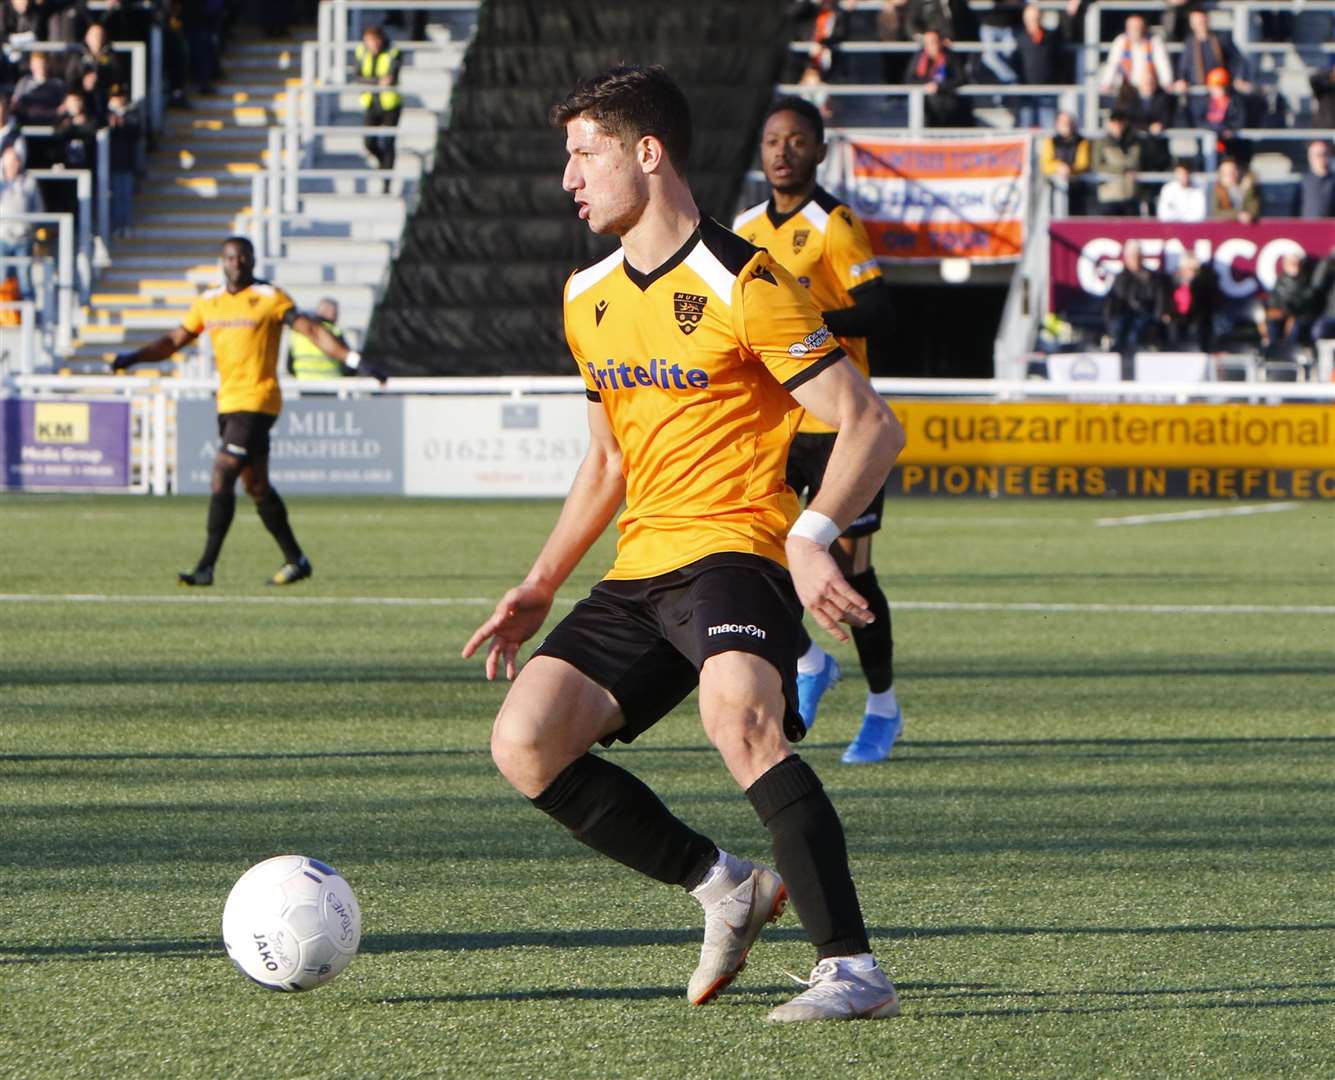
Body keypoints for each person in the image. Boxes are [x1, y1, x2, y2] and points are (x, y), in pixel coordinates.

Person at [461, 65, 906, 1022]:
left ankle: (853, 970)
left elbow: (866, 421)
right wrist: (541, 582)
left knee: (738, 717)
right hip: (640, 568)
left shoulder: (747, 282)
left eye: (585, 155)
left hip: (737, 550)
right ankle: (724, 886)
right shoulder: (585, 294)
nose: (569, 178)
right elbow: (605, 465)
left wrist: (812, 537)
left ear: (647, 152)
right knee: (524, 742)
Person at [733, 97, 901, 765]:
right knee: (753, 557)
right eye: (772, 139)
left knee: (850, 574)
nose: (782, 151)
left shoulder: (833, 224)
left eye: (796, 140)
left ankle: (882, 709)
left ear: (819, 151)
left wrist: (803, 328)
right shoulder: (743, 227)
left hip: (838, 427)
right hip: (771, 427)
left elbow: (879, 310)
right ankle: (808, 661)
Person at [109, 237, 380, 587]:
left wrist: (355, 361)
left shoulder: (270, 298)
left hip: (259, 400)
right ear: (222, 262)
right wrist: (133, 358)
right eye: (230, 258)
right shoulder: (209, 303)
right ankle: (296, 560)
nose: (236, 263)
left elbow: (312, 330)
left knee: (223, 473)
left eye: (242, 257)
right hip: (229, 403)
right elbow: (174, 340)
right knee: (257, 486)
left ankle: (206, 567)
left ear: (252, 260)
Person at [1104, 239, 1168, 367]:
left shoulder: (1152, 278)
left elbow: (1159, 301)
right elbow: (1113, 301)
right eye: (1132, 257)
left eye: (1137, 256)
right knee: (1120, 325)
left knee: (1135, 329)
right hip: (1125, 314)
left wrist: (1157, 318)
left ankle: (1132, 361)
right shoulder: (1120, 278)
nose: (1135, 260)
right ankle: (1117, 360)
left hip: (1145, 315)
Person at [1172, 3, 1251, 96]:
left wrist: (1238, 77)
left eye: (1202, 20)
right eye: (1197, 22)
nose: (1200, 24)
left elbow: (1238, 60)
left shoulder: (1221, 39)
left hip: (1221, 91)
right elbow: (1183, 67)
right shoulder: (1190, 43)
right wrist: (1181, 80)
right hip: (1197, 94)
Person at [353, 25, 401, 172]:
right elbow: (358, 78)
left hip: (390, 104)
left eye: (373, 41)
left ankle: (387, 181)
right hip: (371, 103)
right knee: (369, 142)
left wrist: (374, 80)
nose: (371, 45)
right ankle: (383, 165)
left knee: (388, 142)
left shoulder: (393, 52)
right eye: (368, 41)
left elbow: (391, 78)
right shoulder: (361, 52)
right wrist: (377, 81)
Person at [0, 144, 42, 299]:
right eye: (9, 162)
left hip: (23, 238)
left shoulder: (28, 182)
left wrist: (30, 229)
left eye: (15, 161)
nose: (12, 165)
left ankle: (28, 318)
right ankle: (5, 317)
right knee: (2, 279)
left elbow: (39, 209)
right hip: (2, 238)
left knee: (25, 280)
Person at [904, 29, 970, 128]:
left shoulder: (950, 56)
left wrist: (940, 87)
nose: (930, 46)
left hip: (948, 100)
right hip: (927, 102)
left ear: (940, 42)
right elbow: (910, 79)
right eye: (927, 43)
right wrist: (928, 84)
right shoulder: (919, 56)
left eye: (933, 42)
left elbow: (961, 78)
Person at [1097, 14, 1172, 97]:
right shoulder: (1121, 41)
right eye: (1132, 28)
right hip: (1127, 87)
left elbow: (1162, 63)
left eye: (1138, 28)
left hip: (1150, 87)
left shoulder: (1154, 41)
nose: (1135, 31)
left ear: (1144, 28)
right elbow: (1112, 64)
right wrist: (1106, 83)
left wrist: (1166, 82)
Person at [286, 297, 354, 379]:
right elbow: (347, 360)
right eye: (336, 312)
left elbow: (289, 365)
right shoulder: (334, 331)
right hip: (331, 382)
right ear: (331, 312)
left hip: (304, 383)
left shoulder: (298, 332)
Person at [1040, 110, 1089, 214]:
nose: (1067, 126)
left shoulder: (1082, 141)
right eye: (1064, 123)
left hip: (1076, 188)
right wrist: (1059, 167)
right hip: (1055, 188)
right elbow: (1045, 164)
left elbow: (1083, 163)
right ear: (1057, 124)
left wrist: (1069, 169)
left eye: (1070, 123)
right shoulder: (1050, 141)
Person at [1093, 110, 1141, 216]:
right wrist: (1122, 170)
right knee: (1109, 231)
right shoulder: (1102, 143)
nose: (1118, 126)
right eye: (1115, 122)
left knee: (1131, 231)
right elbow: (1097, 166)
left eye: (1121, 122)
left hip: (1130, 195)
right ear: (1110, 124)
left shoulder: (1133, 143)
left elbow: (1138, 163)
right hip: (1110, 196)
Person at [1167, 254, 1217, 352]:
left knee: (1199, 327)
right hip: (1177, 315)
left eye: (1195, 270)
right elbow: (1169, 301)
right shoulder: (1173, 282)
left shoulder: (1203, 284)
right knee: (1172, 326)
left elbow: (1205, 305)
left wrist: (1193, 285)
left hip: (1197, 316)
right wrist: (1170, 313)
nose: (1192, 272)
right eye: (1189, 269)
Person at [11, 50, 68, 125]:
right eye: (36, 64)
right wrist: (27, 111)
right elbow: (15, 102)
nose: (40, 67)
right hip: (26, 121)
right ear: (31, 65)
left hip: (52, 123)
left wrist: (48, 112)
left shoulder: (57, 84)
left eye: (42, 64)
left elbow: (64, 106)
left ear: (48, 64)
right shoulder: (24, 82)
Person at [1293, 140, 1335, 220]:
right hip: (1307, 228)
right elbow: (1295, 209)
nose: (1321, 158)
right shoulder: (1303, 182)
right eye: (1317, 155)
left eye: (1325, 154)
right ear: (1310, 157)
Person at [1211, 156, 1259, 224]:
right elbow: (1215, 213)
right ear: (1220, 175)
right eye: (1227, 173)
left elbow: (1253, 210)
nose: (1231, 175)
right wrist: (1238, 215)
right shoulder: (1217, 191)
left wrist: (1244, 191)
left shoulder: (1247, 189)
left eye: (1233, 171)